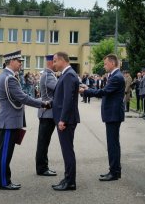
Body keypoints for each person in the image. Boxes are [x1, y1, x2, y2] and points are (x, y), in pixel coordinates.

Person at [0, 50, 50, 190]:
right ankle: (3, 182)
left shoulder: (5, 76)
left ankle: (5, 180)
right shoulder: (9, 78)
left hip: (8, 120)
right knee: (5, 153)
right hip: (9, 121)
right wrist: (42, 103)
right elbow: (22, 97)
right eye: (19, 61)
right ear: (11, 61)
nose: (20, 64)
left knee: (5, 152)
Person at [80, 54, 125, 181]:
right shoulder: (115, 76)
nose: (104, 66)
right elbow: (105, 91)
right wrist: (88, 89)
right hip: (112, 114)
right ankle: (115, 170)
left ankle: (114, 172)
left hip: (113, 115)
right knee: (113, 144)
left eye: (105, 64)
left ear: (112, 63)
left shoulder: (116, 77)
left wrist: (86, 91)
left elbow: (104, 92)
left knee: (113, 144)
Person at [51, 52, 80, 191]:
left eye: (55, 61)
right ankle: (68, 177)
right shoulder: (66, 74)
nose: (53, 64)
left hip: (66, 120)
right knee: (66, 150)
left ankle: (70, 182)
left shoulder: (68, 75)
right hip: (65, 119)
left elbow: (68, 100)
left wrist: (62, 119)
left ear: (62, 60)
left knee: (68, 151)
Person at [36, 54, 58, 177]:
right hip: (47, 113)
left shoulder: (49, 75)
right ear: (51, 63)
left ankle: (42, 166)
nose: (56, 64)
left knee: (44, 142)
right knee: (43, 142)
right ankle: (42, 168)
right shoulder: (48, 75)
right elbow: (59, 88)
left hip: (47, 113)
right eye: (55, 62)